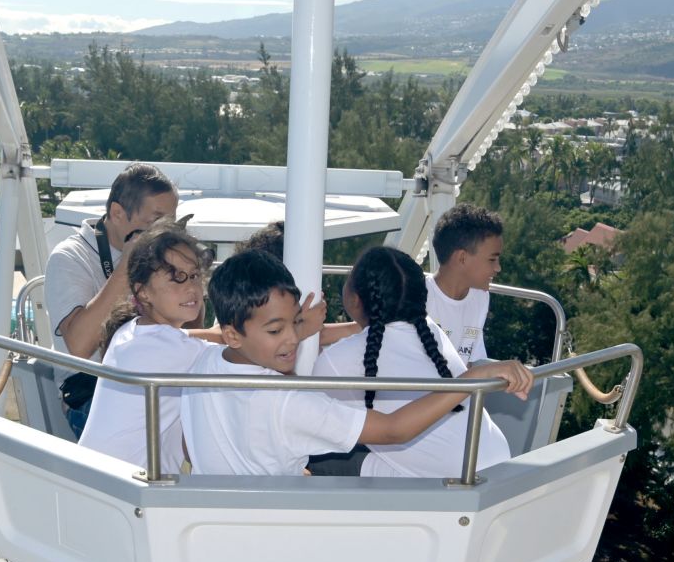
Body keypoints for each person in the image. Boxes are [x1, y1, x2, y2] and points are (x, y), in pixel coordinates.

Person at [181, 250, 531, 476]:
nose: (291, 338)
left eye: (294, 323)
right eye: (277, 329)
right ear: (233, 334)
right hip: (273, 530)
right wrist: (472, 379)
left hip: (218, 519)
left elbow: (188, 445)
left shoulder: (203, 364)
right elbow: (394, 430)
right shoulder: (287, 401)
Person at [315, 246, 511, 478]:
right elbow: (379, 329)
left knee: (318, 455)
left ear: (355, 299)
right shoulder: (430, 331)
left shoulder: (334, 360)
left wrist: (302, 332)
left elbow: (302, 416)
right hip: (498, 463)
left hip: (449, 484)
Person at [45, 163, 179, 435]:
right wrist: (128, 266)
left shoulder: (162, 255)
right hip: (92, 391)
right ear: (118, 213)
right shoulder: (69, 257)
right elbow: (80, 346)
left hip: (152, 381)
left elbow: (185, 330)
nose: (164, 233)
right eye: (156, 222)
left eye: (172, 224)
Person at [78, 222, 215, 475]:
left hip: (98, 480)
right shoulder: (171, 350)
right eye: (175, 278)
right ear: (143, 293)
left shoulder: (132, 330)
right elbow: (242, 353)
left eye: (194, 275)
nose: (190, 288)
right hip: (124, 489)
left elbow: (187, 338)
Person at [426, 204, 504, 364]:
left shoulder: (480, 297)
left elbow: (469, 363)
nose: (498, 268)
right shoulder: (416, 297)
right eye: (492, 259)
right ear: (462, 258)